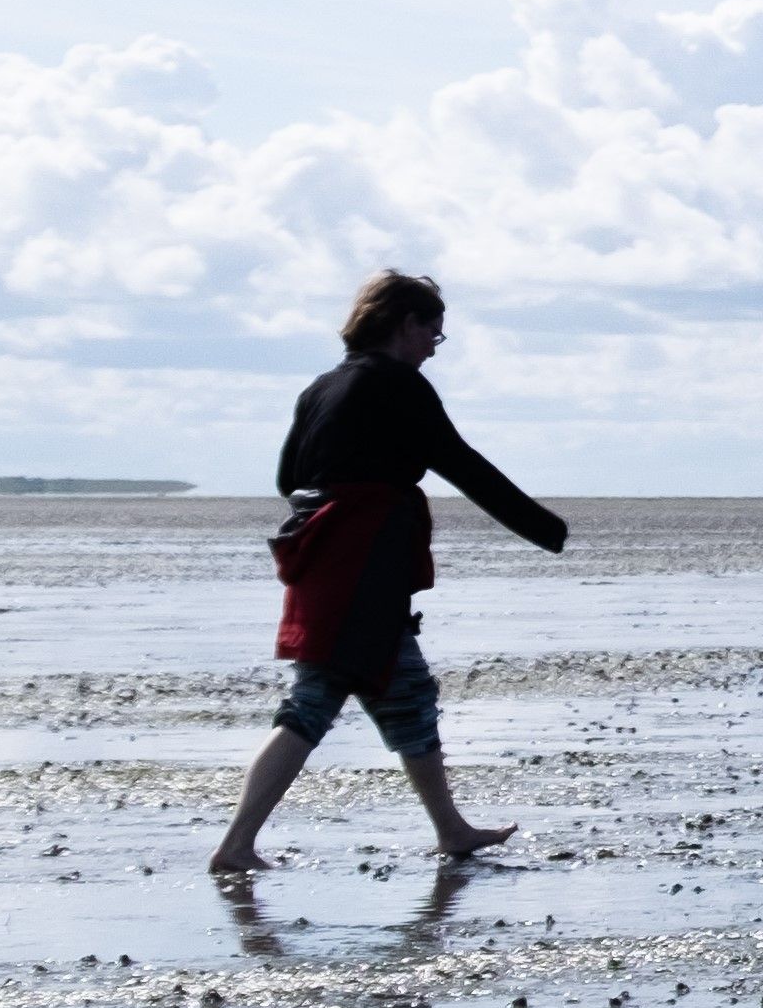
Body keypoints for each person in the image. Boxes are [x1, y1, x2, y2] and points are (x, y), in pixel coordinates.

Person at [209, 268, 569, 877]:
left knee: (406, 696)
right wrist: (545, 529)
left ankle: (451, 829)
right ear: (405, 324)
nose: (435, 344)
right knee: (314, 701)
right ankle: (237, 843)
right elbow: (460, 463)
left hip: (330, 562)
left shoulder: (322, 387)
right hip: (360, 567)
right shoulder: (398, 386)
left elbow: (287, 478)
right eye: (434, 331)